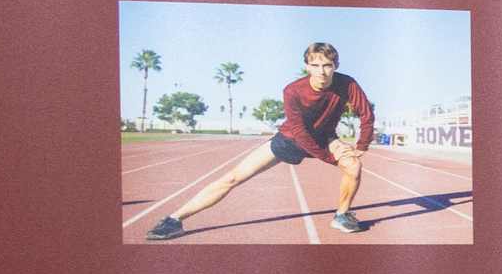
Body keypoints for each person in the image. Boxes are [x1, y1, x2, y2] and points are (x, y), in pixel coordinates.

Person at [146, 37, 379, 241]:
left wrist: (361, 146)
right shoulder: (293, 91)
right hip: (290, 139)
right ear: (306, 66)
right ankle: (174, 219)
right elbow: (300, 132)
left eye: (327, 65)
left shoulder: (347, 83)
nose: (322, 71)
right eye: (315, 65)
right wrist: (329, 157)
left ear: (335, 66)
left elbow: (366, 113)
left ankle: (341, 215)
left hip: (325, 138)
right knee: (233, 177)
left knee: (353, 165)